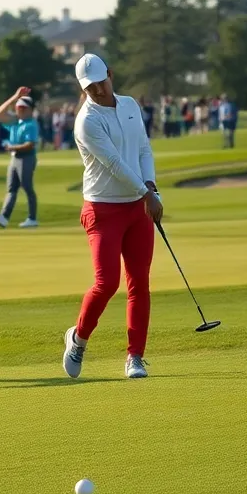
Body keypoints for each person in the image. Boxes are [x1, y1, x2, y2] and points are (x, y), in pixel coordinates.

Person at [61, 53, 161, 381]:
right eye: (90, 88)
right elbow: (115, 165)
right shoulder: (87, 120)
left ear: (110, 75)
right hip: (103, 209)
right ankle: (78, 340)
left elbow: (143, 149)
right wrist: (148, 195)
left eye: (101, 83)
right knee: (107, 283)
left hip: (137, 207)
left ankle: (135, 357)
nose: (98, 91)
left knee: (139, 284)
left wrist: (150, 186)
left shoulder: (130, 105)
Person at [0, 90, 40, 229]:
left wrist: (13, 147)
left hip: (26, 158)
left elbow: (30, 145)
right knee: (11, 189)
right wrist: (15, 97)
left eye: (23, 108)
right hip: (15, 158)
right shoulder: (16, 121)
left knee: (27, 188)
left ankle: (32, 218)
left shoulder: (30, 124)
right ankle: (4, 217)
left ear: (30, 110)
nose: (19, 110)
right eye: (18, 107)